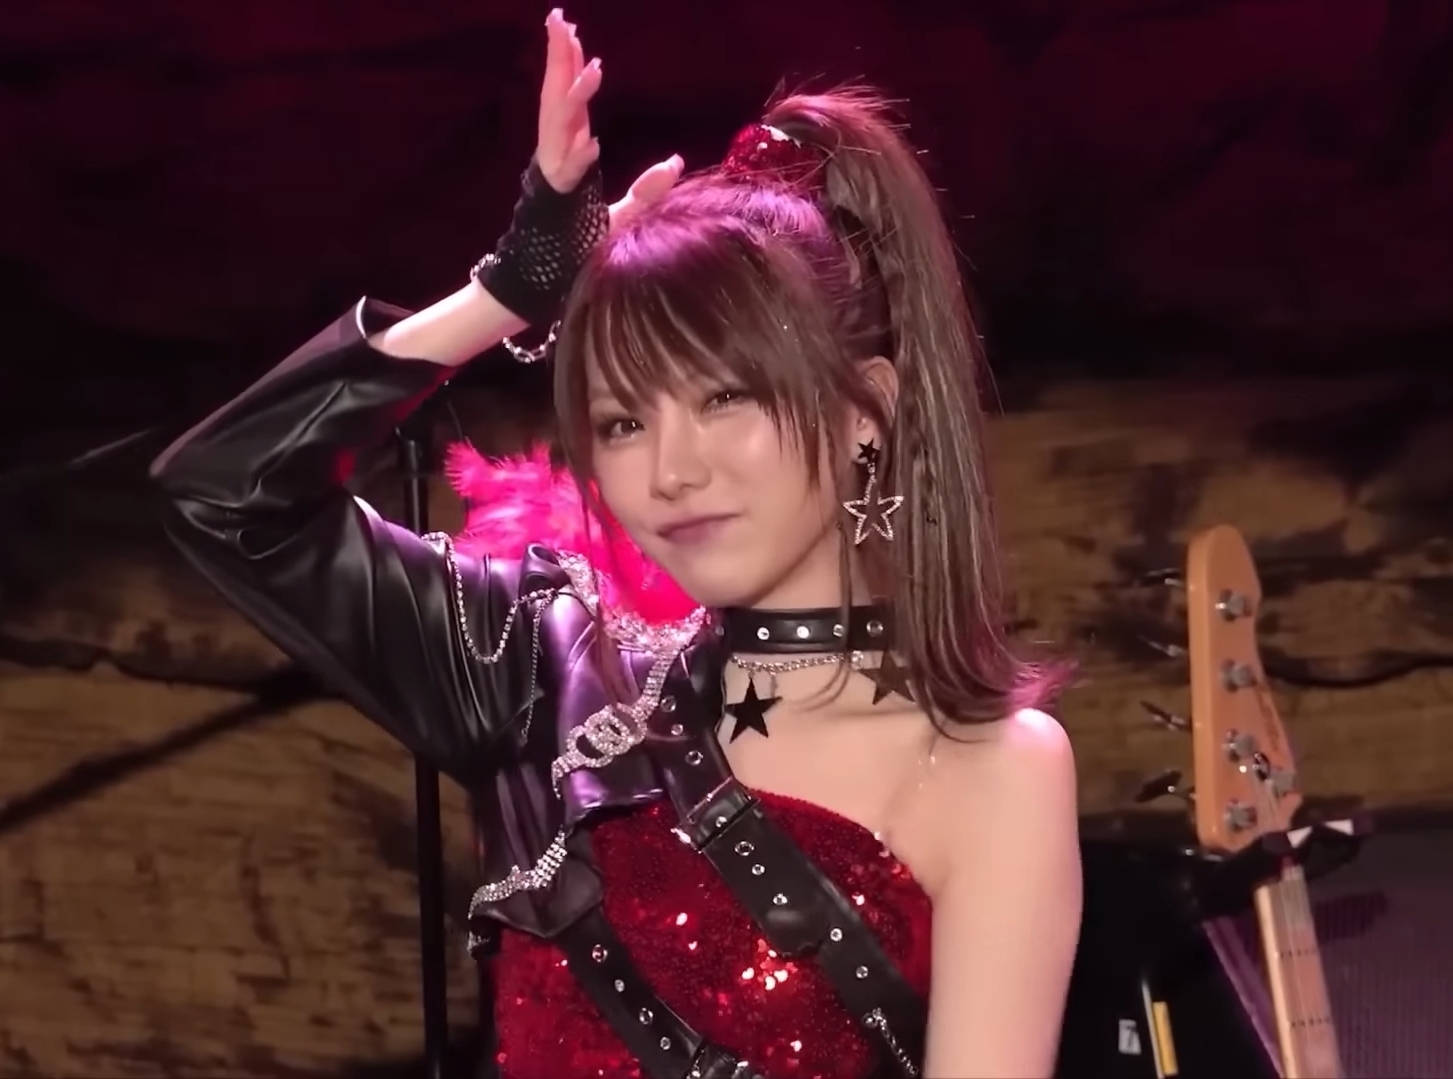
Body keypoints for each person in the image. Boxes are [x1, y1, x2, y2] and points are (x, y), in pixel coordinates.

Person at [151, 10, 1082, 1078]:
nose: (670, 469)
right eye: (623, 420)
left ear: (865, 410)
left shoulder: (995, 769)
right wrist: (509, 290)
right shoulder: (543, 667)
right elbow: (225, 491)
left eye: (725, 397)